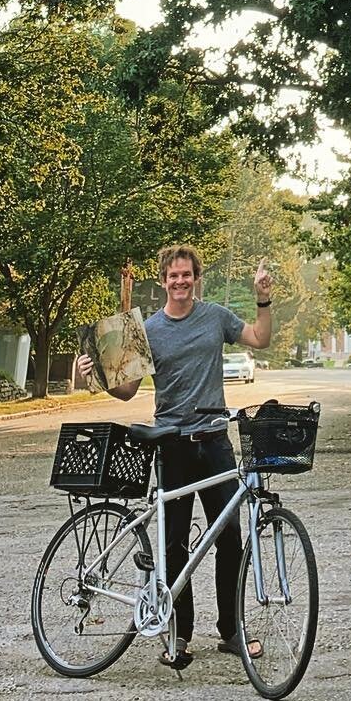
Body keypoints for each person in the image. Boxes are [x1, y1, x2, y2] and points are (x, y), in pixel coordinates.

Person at [75, 245, 272, 670]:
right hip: (172, 445)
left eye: (187, 275)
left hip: (215, 441)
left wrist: (262, 297)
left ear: (196, 279)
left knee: (232, 537)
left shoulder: (215, 317)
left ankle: (231, 629)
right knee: (175, 543)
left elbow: (261, 337)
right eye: (173, 276)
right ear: (163, 280)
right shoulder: (147, 330)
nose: (180, 282)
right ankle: (180, 634)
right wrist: (96, 375)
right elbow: (127, 390)